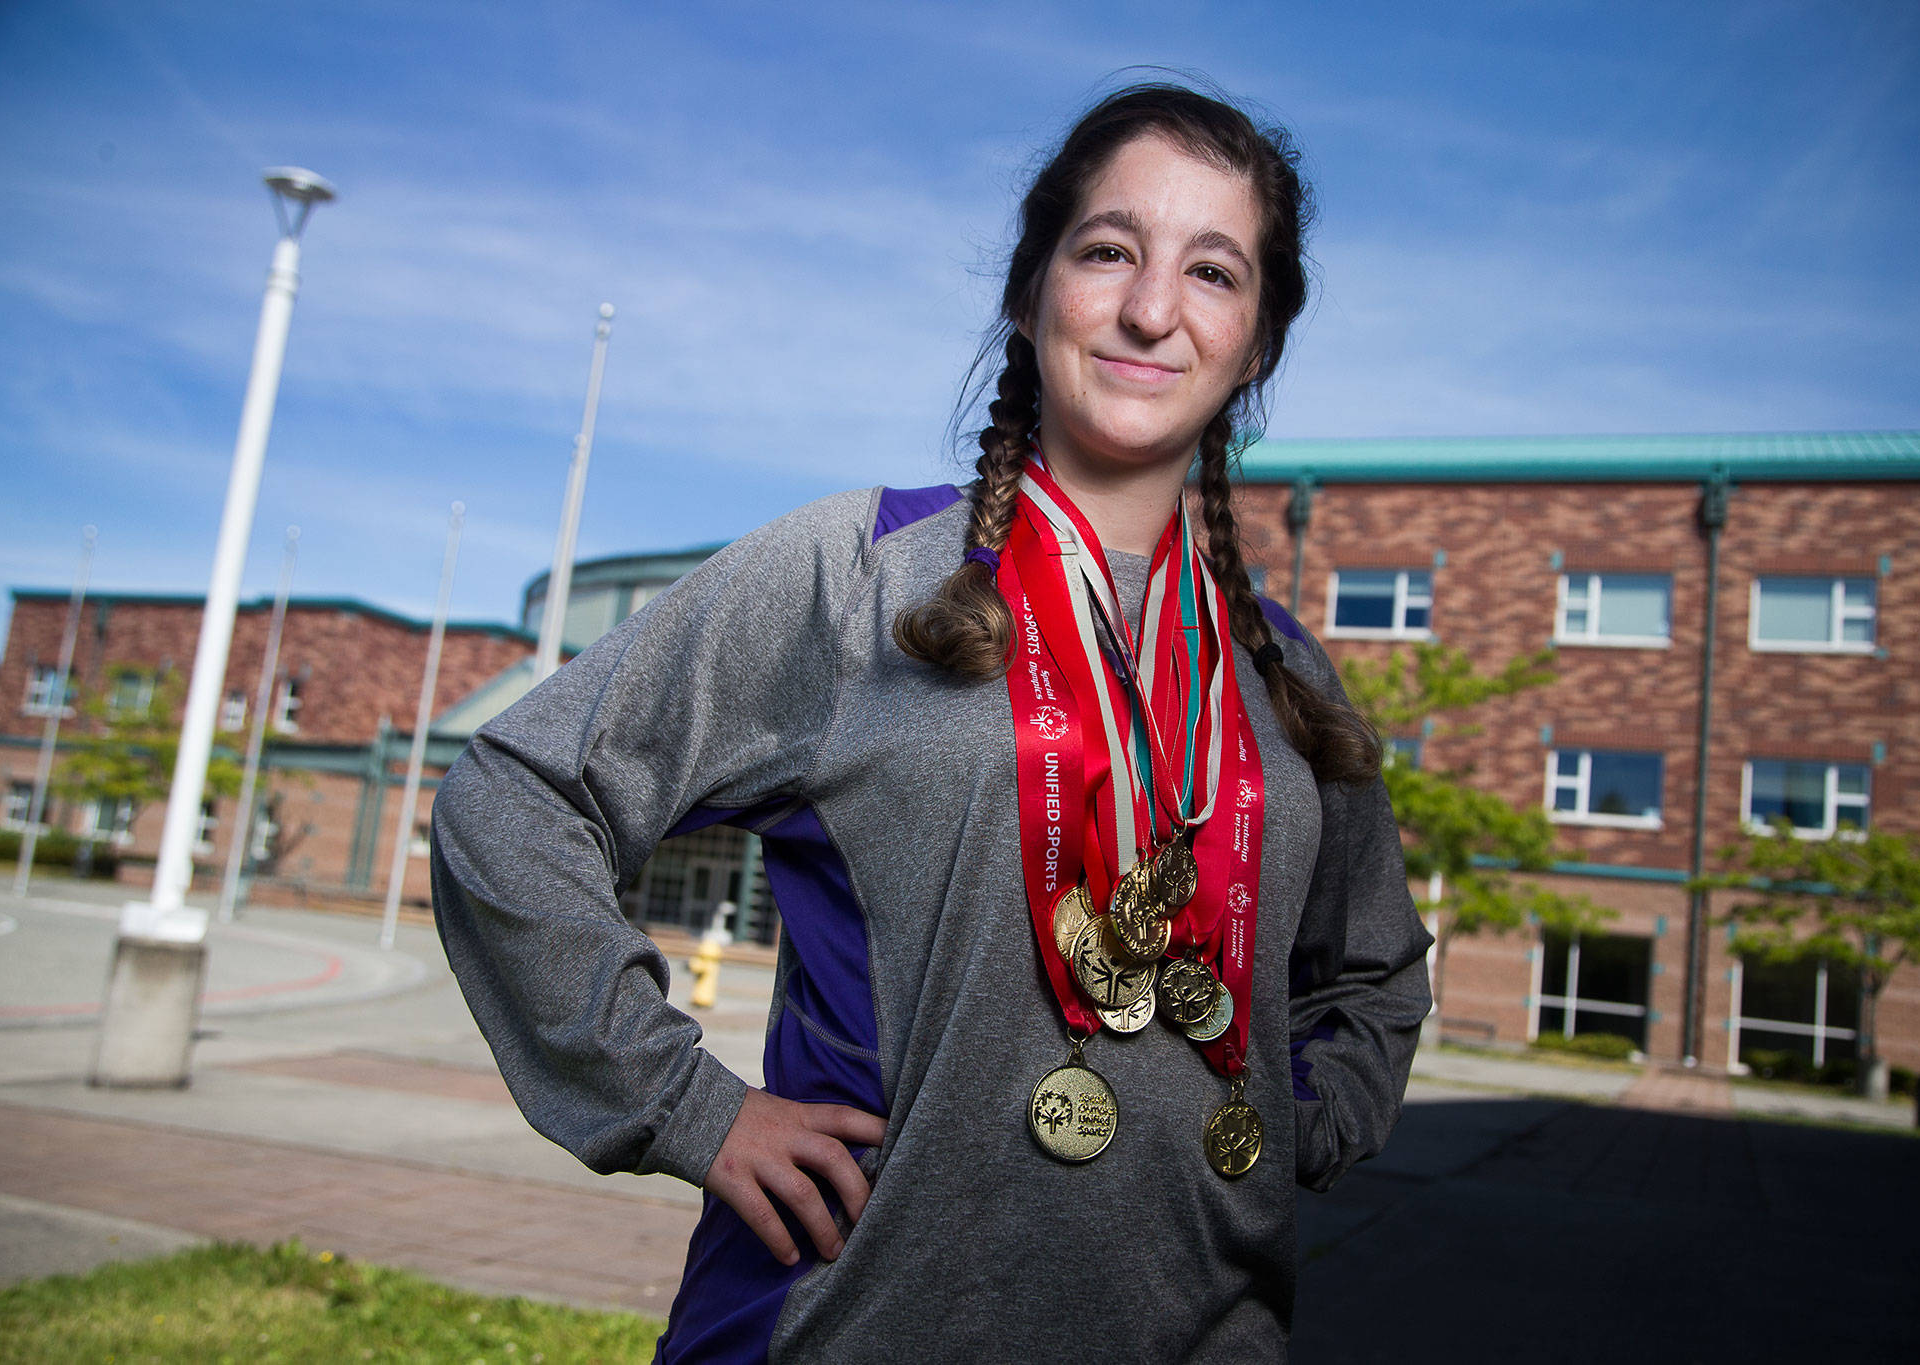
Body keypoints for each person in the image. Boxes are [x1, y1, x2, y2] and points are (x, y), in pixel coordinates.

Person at [430, 81, 1432, 1364]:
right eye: (1108, 250)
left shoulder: (1282, 671)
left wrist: (1307, 1120)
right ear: (1030, 294)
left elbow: (1372, 969)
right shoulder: (857, 573)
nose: (1149, 309)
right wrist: (683, 1104)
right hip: (851, 1323)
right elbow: (517, 793)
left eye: (1213, 273)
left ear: (1258, 343)